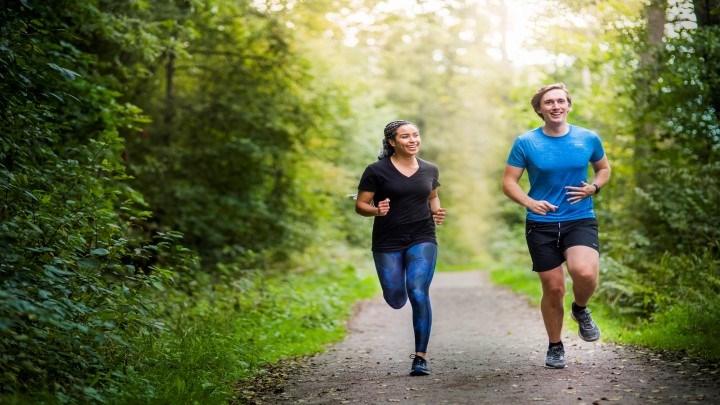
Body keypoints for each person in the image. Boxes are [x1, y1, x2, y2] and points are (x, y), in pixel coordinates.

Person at [501, 83, 611, 369]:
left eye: (561, 101)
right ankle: (555, 345)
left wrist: (594, 188)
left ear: (569, 105)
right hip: (541, 223)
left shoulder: (588, 138)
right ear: (540, 109)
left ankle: (580, 309)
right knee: (553, 288)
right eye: (549, 102)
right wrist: (529, 202)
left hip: (579, 217)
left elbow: (603, 169)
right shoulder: (526, 142)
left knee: (584, 272)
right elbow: (508, 182)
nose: (556, 106)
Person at [355, 120, 446, 376]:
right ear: (392, 142)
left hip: (422, 236)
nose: (413, 140)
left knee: (418, 291)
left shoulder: (430, 169)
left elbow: (432, 195)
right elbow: (360, 205)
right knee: (396, 299)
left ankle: (420, 358)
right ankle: (398, 289)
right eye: (405, 136)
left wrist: (436, 212)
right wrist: (376, 209)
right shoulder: (376, 171)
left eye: (416, 135)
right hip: (387, 241)